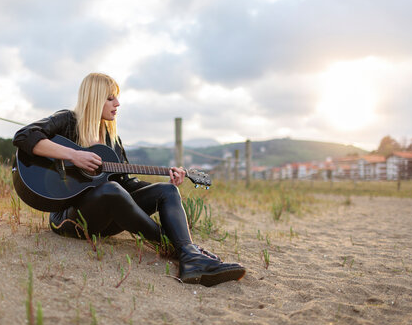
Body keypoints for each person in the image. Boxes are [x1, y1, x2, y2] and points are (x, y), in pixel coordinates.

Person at [13, 72, 246, 286]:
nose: (117, 104)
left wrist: (166, 182)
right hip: (69, 220)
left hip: (107, 220)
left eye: (117, 98)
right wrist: (74, 155)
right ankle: (185, 251)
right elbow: (24, 136)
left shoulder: (111, 139)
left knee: (166, 192)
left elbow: (127, 184)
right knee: (111, 190)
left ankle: (190, 256)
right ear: (94, 98)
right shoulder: (67, 121)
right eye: (110, 98)